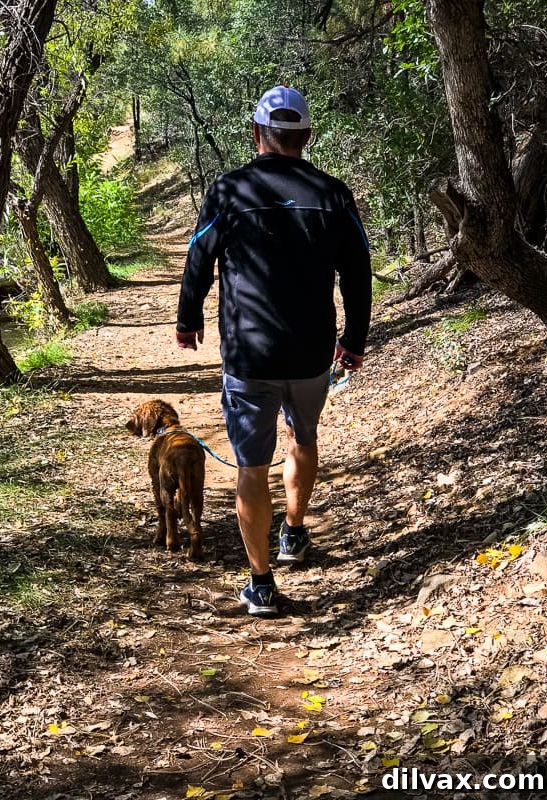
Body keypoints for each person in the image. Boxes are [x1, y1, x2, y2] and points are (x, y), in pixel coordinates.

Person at [176, 85, 371, 617]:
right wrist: (354, 340)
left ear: (258, 133)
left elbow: (199, 257)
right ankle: (294, 532)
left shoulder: (229, 190)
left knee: (251, 466)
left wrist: (187, 319)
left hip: (248, 354)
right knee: (302, 436)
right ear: (305, 136)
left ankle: (260, 583)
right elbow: (356, 274)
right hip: (310, 353)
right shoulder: (333, 194)